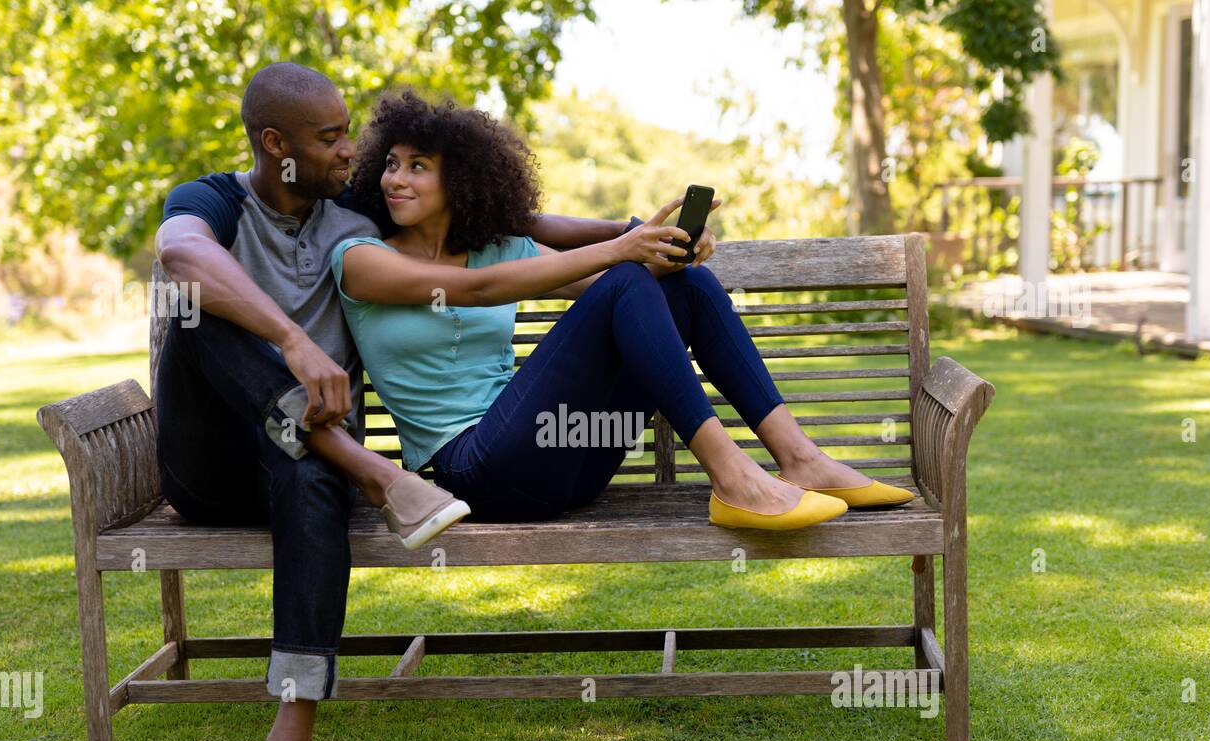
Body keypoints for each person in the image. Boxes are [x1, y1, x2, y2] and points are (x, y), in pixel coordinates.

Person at [154, 63, 640, 741]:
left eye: (352, 134)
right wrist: (294, 341)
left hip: (304, 453)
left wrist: (622, 232)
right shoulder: (213, 200)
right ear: (275, 146)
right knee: (194, 295)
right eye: (331, 137)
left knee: (313, 479)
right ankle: (375, 472)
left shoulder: (347, 204)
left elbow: (510, 220)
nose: (354, 152)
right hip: (211, 463)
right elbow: (179, 254)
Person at [332, 88, 913, 532]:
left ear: (459, 182)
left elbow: (621, 297)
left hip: (567, 464)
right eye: (391, 163)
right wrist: (620, 250)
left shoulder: (500, 247)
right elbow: (479, 291)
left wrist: (676, 250)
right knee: (625, 277)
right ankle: (732, 476)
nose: (394, 180)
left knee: (684, 286)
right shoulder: (362, 260)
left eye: (417, 167)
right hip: (475, 473)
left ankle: (800, 457)